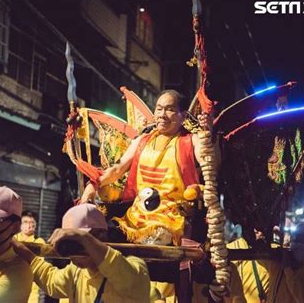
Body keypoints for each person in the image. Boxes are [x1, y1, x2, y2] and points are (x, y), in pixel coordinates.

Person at [80, 89, 218, 243]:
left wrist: (208, 135)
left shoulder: (193, 140)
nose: (162, 115)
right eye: (159, 109)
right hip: (136, 216)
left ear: (183, 116)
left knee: (154, 242)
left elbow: (210, 164)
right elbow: (116, 170)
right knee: (100, 236)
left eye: (170, 109)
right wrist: (93, 185)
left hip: (172, 218)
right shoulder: (142, 141)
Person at [12, 203, 151, 302]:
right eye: (71, 242)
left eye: (80, 241)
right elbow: (51, 280)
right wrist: (18, 248)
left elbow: (123, 276)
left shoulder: (135, 267)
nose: (75, 250)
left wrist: (83, 238)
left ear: (103, 236)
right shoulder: (76, 272)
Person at [262, 222, 304, 303]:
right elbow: (259, 256)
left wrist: (287, 268)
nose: (298, 243)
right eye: (295, 238)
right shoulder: (277, 262)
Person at [13, 210, 45, 303]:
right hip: (13, 284)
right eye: (25, 222)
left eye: (32, 222)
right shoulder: (14, 239)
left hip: (32, 287)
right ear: (20, 225)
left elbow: (38, 264)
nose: (29, 225)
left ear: (35, 225)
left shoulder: (40, 242)